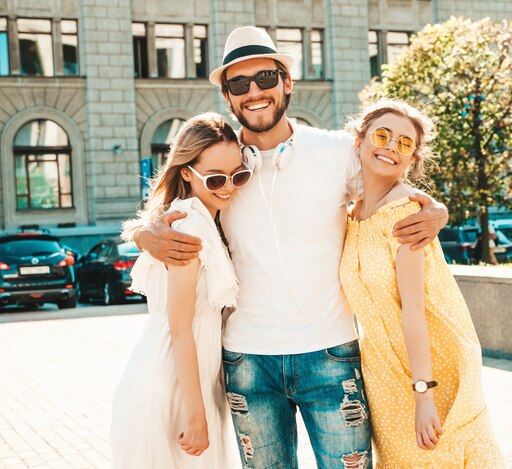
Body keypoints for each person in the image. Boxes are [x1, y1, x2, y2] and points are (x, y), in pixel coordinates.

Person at [124, 27, 449, 468]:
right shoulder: (222, 161)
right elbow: (174, 201)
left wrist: (439, 210)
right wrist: (143, 232)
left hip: (331, 356)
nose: (254, 92)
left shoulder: (336, 152)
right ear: (228, 96)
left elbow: (388, 182)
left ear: (287, 82)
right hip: (246, 362)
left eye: (265, 78)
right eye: (239, 84)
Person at [339, 99, 506, 468]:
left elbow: (413, 310)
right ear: (359, 140)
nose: (390, 147)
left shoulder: (408, 214)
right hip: (381, 373)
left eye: (404, 144)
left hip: (428, 372)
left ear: (413, 158)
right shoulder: (353, 214)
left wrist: (423, 394)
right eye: (382, 135)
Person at [110, 113, 243, 468]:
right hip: (174, 383)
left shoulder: (205, 216)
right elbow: (180, 329)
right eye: (215, 178)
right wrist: (196, 414)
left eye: (238, 174)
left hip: (183, 378)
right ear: (186, 172)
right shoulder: (188, 222)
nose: (229, 186)